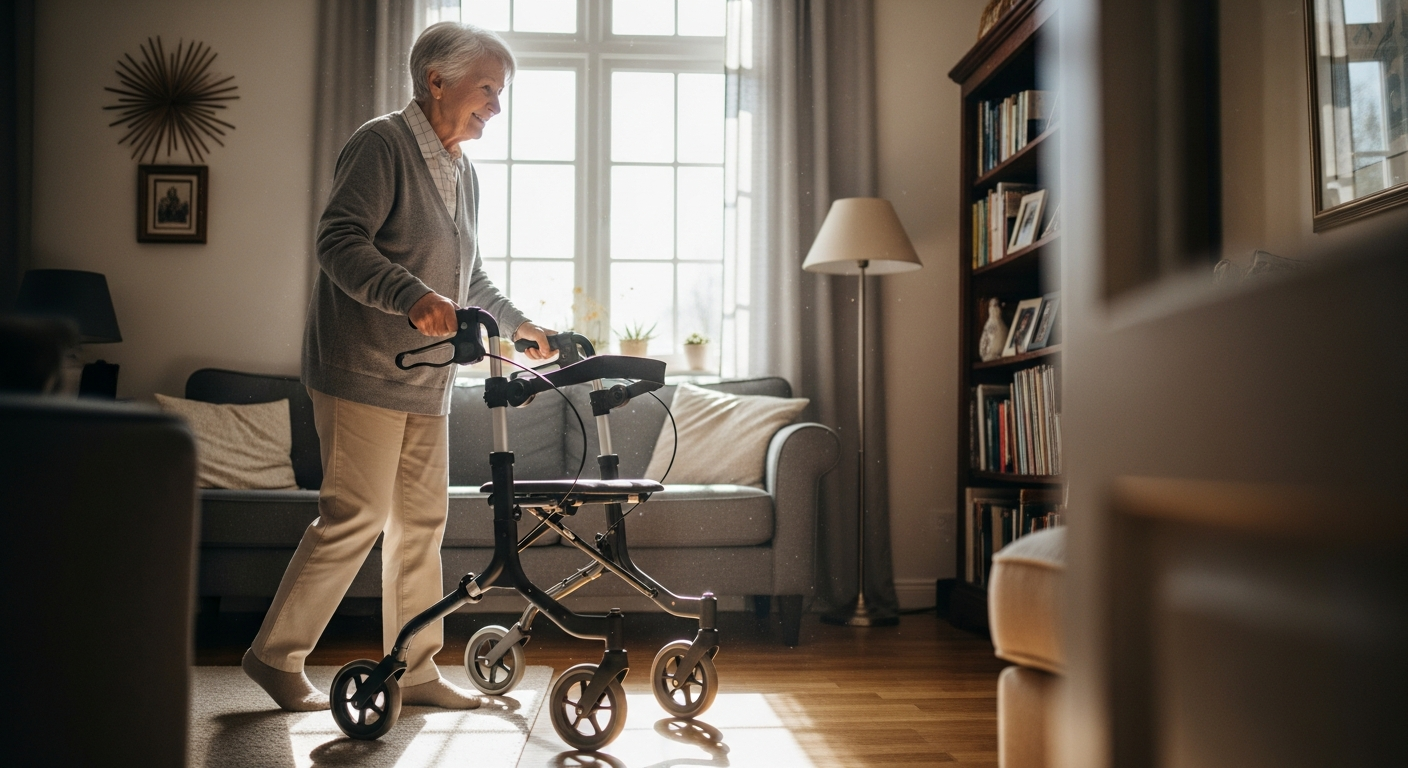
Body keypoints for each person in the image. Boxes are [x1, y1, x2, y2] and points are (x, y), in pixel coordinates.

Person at [242, 22, 554, 711]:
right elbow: (338, 240)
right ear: (436, 80)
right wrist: (409, 294)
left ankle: (415, 669)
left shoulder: (462, 170)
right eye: (488, 90)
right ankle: (274, 656)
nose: (496, 108)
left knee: (420, 525)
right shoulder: (381, 143)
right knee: (354, 516)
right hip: (362, 367)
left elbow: (468, 277)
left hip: (428, 378)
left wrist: (517, 322)